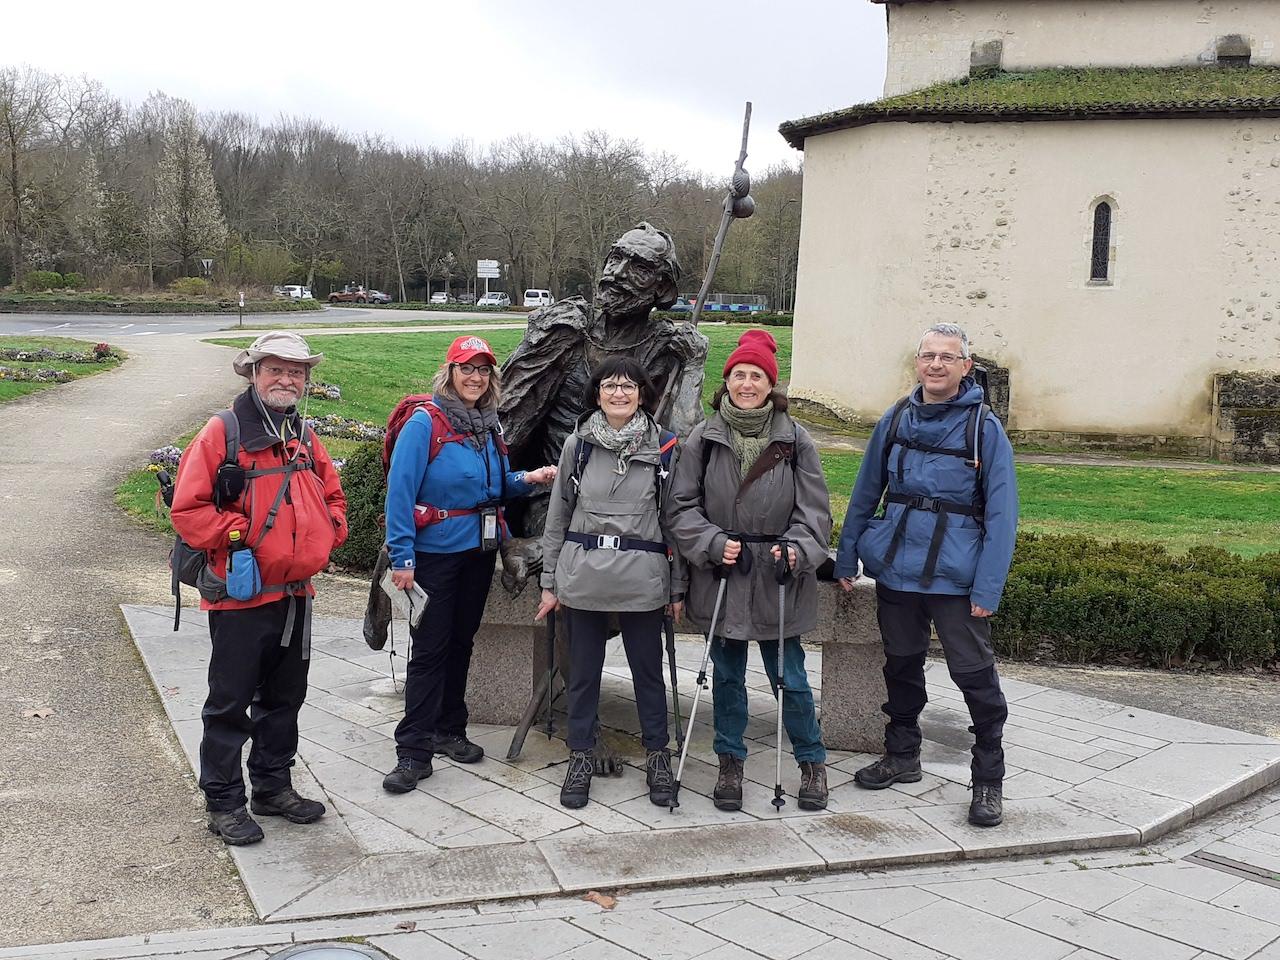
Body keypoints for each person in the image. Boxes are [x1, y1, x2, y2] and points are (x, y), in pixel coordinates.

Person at [834, 322, 1018, 827]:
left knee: (974, 676)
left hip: (957, 578)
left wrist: (988, 587)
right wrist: (846, 556)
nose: (936, 365)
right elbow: (866, 490)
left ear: (966, 366)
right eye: (928, 356)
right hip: (898, 569)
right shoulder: (895, 419)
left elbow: (1003, 515)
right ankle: (902, 754)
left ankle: (988, 779)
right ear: (917, 363)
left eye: (947, 357)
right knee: (901, 665)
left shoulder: (985, 428)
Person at [170, 331, 348, 846]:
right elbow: (189, 510)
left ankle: (272, 787)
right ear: (253, 373)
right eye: (275, 369)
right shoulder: (221, 433)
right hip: (241, 596)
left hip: (296, 594)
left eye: (296, 371)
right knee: (229, 703)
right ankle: (224, 801)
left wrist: (328, 530)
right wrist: (242, 536)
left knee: (285, 697)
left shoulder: (305, 435)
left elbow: (333, 496)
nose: (287, 379)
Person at [382, 335, 557, 794]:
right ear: (450, 373)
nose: (475, 377)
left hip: (477, 553)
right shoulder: (425, 424)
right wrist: (402, 556)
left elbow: (495, 484)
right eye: (467, 368)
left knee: (462, 644)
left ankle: (449, 730)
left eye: (483, 370)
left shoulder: (487, 425)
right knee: (430, 650)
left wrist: (529, 479)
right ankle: (413, 751)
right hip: (434, 555)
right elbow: (400, 492)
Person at [667, 329, 833, 811]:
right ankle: (730, 762)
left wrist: (799, 548)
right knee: (726, 677)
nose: (746, 383)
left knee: (792, 679)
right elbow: (680, 507)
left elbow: (816, 511)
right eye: (739, 374)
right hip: (725, 572)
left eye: (755, 376)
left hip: (778, 576)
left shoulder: (795, 438)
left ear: (770, 384)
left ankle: (811, 761)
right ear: (727, 381)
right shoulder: (705, 435)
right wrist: (712, 543)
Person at [495, 222, 709, 587]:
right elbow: (507, 423)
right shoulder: (564, 330)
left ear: (663, 289)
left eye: (639, 269)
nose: (617, 274)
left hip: (631, 502)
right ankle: (541, 548)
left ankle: (539, 551)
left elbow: (684, 455)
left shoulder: (667, 348)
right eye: (615, 258)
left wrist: (691, 368)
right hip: (554, 497)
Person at [535, 357, 686, 809]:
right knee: (582, 676)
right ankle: (580, 755)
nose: (618, 393)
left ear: (643, 392)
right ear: (596, 393)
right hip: (583, 578)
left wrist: (676, 587)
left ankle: (658, 755)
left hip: (643, 580)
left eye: (628, 386)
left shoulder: (664, 447)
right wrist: (549, 581)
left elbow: (674, 522)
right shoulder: (576, 446)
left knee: (648, 675)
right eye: (609, 386)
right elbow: (557, 515)